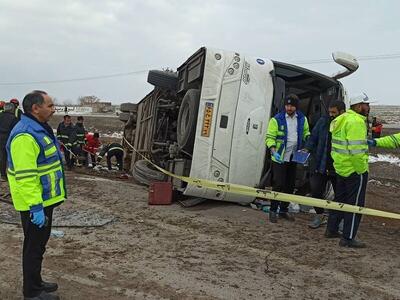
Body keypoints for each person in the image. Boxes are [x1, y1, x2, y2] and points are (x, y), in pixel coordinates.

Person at [6, 90, 64, 300]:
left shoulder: (38, 128)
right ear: (35, 108)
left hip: (43, 200)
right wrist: (36, 207)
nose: (53, 109)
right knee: (33, 248)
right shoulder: (25, 135)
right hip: (34, 204)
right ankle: (31, 293)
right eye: (49, 105)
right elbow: (26, 176)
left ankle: (37, 282)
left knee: (38, 246)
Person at [327, 92, 370, 248]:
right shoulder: (356, 122)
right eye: (367, 104)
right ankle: (348, 237)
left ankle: (331, 229)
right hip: (353, 171)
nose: (368, 107)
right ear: (359, 106)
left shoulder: (341, 119)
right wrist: (361, 170)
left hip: (341, 168)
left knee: (340, 200)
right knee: (355, 205)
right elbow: (356, 151)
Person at [265, 94, 310, 223]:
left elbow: (306, 132)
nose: (289, 108)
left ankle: (283, 210)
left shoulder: (302, 119)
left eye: (291, 105)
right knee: (278, 184)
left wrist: (307, 142)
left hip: (294, 157)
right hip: (279, 157)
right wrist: (273, 150)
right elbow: (269, 137)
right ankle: (273, 210)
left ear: (296, 106)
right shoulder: (276, 119)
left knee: (289, 185)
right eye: (287, 105)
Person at [304, 100, 346, 229]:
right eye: (329, 112)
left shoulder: (347, 124)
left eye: (334, 112)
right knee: (316, 192)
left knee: (341, 196)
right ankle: (320, 215)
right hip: (321, 164)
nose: (331, 114)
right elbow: (313, 137)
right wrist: (306, 149)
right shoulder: (323, 121)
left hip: (338, 167)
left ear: (342, 112)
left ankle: (339, 221)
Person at [0, 103, 19, 181]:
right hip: (9, 138)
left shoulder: (0, 116)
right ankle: (11, 174)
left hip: (0, 137)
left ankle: (3, 175)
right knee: (10, 156)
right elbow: (16, 130)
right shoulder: (14, 118)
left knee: (2, 156)